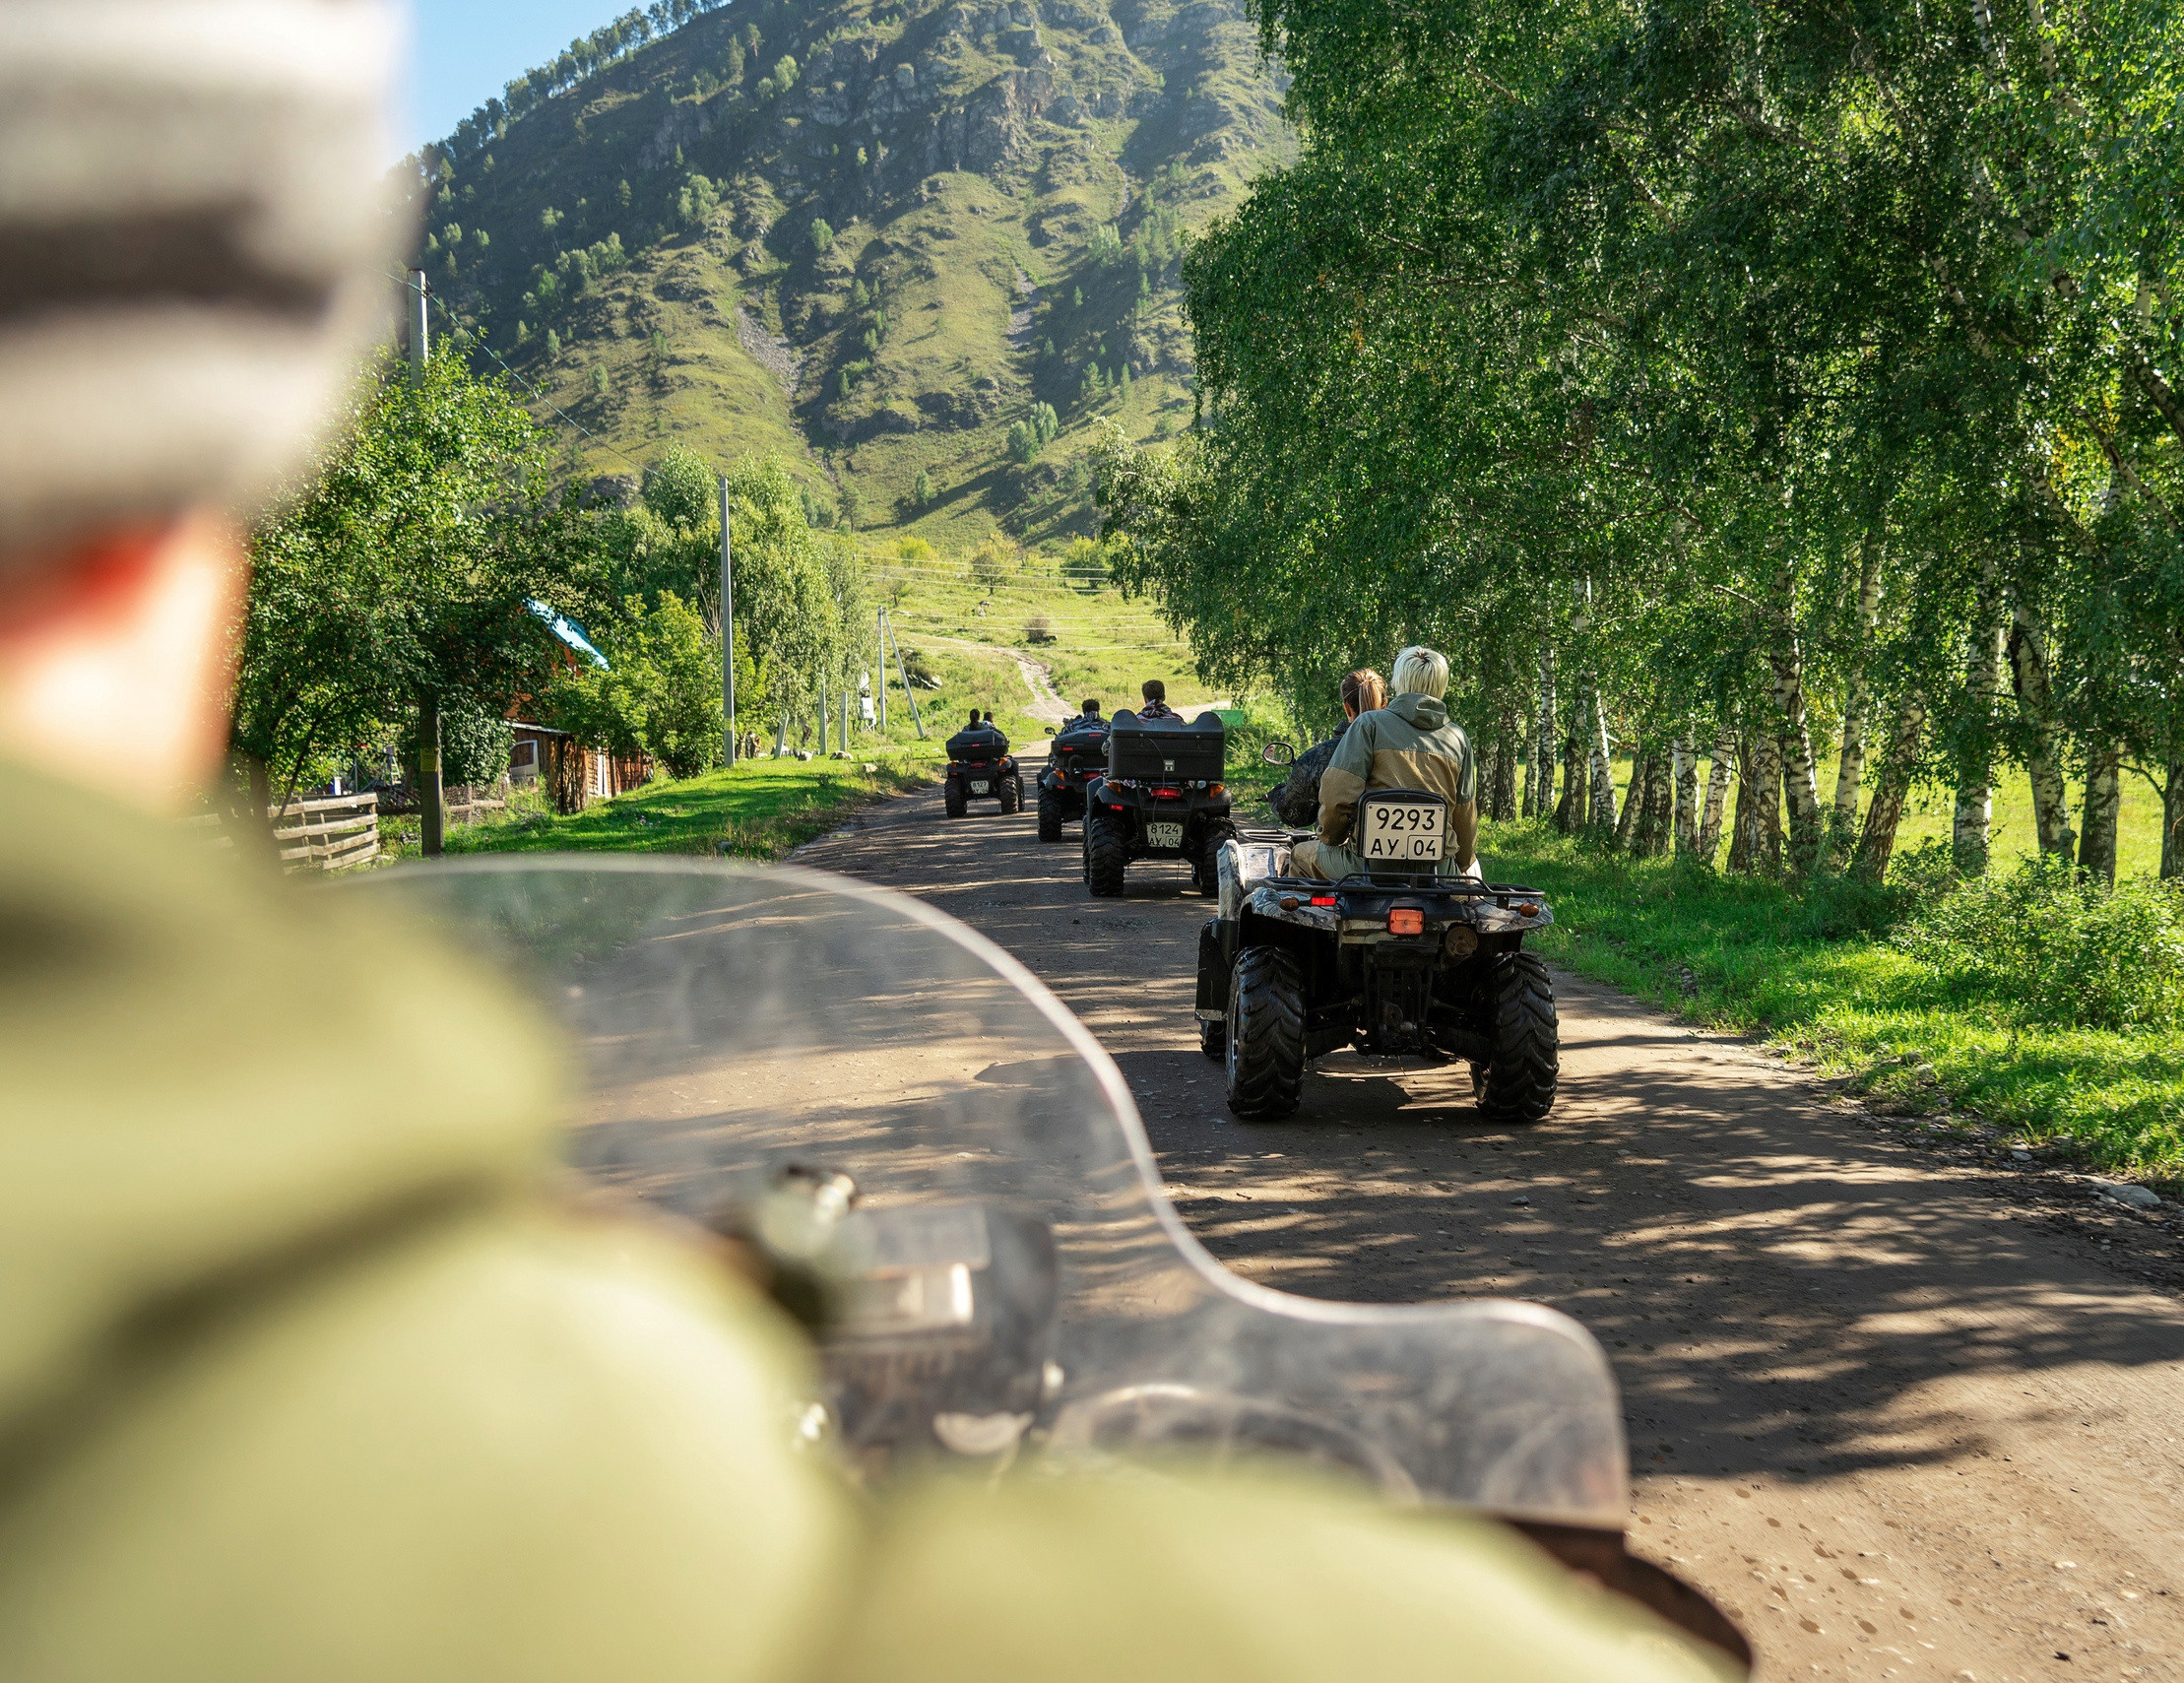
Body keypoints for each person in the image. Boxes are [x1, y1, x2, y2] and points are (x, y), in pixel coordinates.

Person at [0, 13, 1734, 1682]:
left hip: (1345, 895)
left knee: (1268, 919)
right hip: (1434, 922)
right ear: (174, 491)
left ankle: (1269, 1012)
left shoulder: (1350, 747)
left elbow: (1318, 812)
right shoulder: (1437, 743)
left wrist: (1290, 831)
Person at [1293, 647, 1480, 880]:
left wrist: (1331, 837)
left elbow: (1337, 795)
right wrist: (1460, 865)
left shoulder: (1369, 724)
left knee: (1300, 855)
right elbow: (1465, 817)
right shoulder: (1458, 738)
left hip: (1367, 867)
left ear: (1399, 681)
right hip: (1437, 872)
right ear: (1442, 685)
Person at [1268, 669, 1387, 826]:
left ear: (1346, 707)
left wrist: (1275, 794)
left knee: (1295, 850)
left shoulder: (1321, 756)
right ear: (1384, 704)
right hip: (1401, 848)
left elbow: (1294, 813)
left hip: (1341, 848)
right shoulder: (1404, 751)